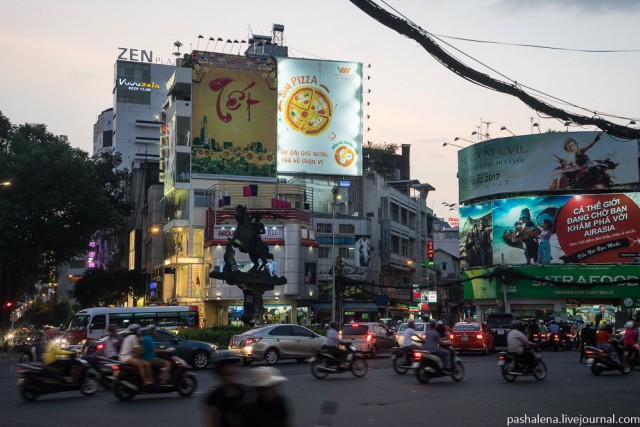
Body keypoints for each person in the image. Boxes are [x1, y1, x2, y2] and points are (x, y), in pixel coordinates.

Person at [203, 351, 245, 427]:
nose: (227, 379)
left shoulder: (245, 393)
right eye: (223, 374)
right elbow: (213, 422)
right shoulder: (214, 398)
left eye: (230, 374)